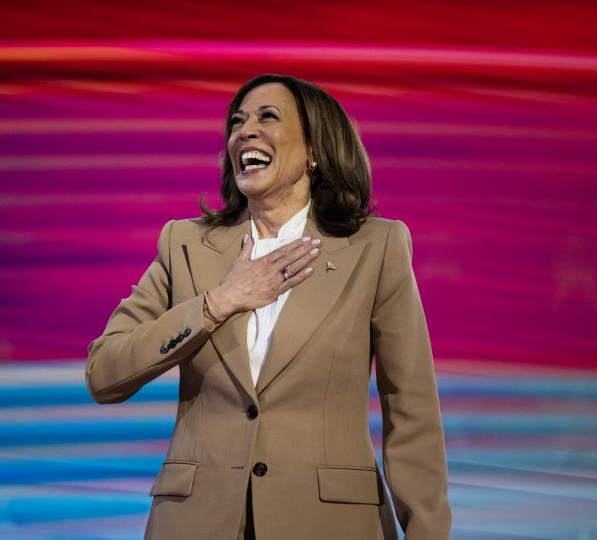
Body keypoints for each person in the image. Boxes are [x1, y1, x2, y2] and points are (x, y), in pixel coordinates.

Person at [86, 74, 451, 540]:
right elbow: (104, 373)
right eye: (237, 122)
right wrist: (218, 303)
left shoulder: (375, 248)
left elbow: (411, 409)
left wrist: (427, 531)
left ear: (315, 149)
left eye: (267, 117)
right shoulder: (185, 245)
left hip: (329, 523)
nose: (245, 131)